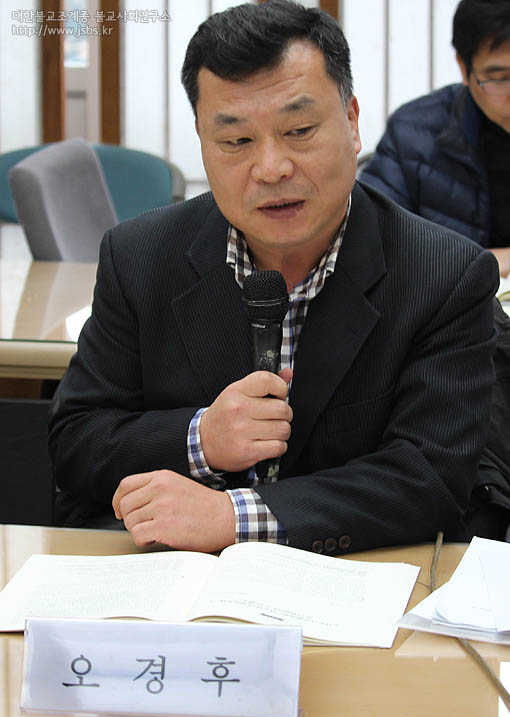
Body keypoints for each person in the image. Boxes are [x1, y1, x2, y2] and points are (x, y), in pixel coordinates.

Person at [49, 0, 500, 554]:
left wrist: (235, 517)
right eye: (236, 141)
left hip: (359, 578)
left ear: (352, 122)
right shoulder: (140, 256)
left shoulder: (445, 275)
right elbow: (75, 442)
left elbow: (429, 478)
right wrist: (201, 439)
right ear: (202, 141)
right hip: (169, 579)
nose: (271, 169)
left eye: (299, 130)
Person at [360, 0, 510, 276]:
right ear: (464, 68)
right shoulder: (412, 135)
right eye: (500, 78)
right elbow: (370, 244)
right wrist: (484, 264)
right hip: (452, 300)